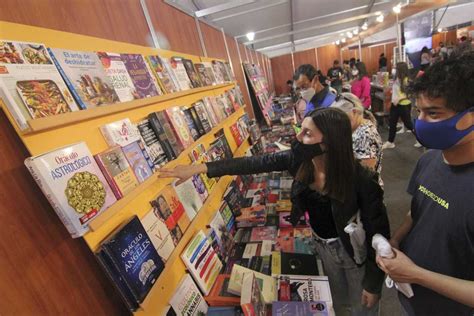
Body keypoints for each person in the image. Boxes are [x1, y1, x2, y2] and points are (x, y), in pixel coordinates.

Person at [159, 107, 391, 316]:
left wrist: (373, 284)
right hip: (321, 245)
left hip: (353, 251)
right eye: (302, 129)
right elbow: (255, 163)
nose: (298, 138)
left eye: (308, 134)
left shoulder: (361, 179)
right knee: (339, 304)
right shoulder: (299, 160)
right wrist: (201, 167)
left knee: (364, 307)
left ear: (328, 143)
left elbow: (378, 232)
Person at [377, 51, 474, 316]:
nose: (420, 123)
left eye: (433, 113)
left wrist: (417, 275)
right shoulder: (429, 160)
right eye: (418, 111)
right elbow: (418, 210)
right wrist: (395, 240)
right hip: (413, 301)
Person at [331, 93, 384, 186]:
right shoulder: (356, 128)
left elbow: (365, 174)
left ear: (354, 112)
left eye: (342, 118)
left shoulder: (365, 135)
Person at [382, 62, 420, 149]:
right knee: (392, 123)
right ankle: (390, 142)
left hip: (404, 105)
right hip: (395, 104)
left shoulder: (406, 80)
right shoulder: (397, 78)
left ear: (400, 70)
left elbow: (410, 94)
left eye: (396, 68)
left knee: (409, 124)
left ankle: (420, 139)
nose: (394, 70)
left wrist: (399, 99)